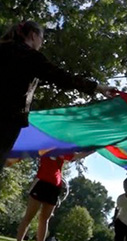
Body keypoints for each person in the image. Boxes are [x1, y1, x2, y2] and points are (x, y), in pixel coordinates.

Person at [0, 20, 117, 171]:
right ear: (34, 36)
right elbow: (62, 77)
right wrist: (98, 88)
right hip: (6, 120)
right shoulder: (30, 56)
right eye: (42, 39)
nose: (41, 43)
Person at [16, 152, 90, 241]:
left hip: (54, 188)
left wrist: (94, 149)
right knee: (28, 217)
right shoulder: (45, 148)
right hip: (41, 184)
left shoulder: (63, 151)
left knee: (45, 220)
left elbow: (77, 155)